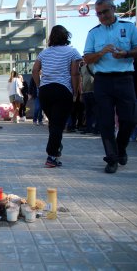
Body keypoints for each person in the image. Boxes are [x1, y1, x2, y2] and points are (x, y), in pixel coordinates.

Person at [83, 0, 137, 173]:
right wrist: (101, 52)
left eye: (105, 11)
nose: (102, 16)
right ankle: (111, 158)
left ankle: (120, 148)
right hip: (102, 80)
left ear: (113, 9)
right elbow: (87, 58)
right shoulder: (94, 33)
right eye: (98, 14)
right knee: (105, 121)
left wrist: (126, 53)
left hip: (125, 78)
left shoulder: (128, 27)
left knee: (131, 118)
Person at [32, 25, 82, 168]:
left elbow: (35, 70)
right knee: (58, 125)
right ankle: (51, 156)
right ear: (67, 36)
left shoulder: (44, 53)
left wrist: (39, 86)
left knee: (54, 122)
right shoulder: (72, 52)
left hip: (45, 91)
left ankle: (56, 148)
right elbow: (75, 73)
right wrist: (75, 91)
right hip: (62, 89)